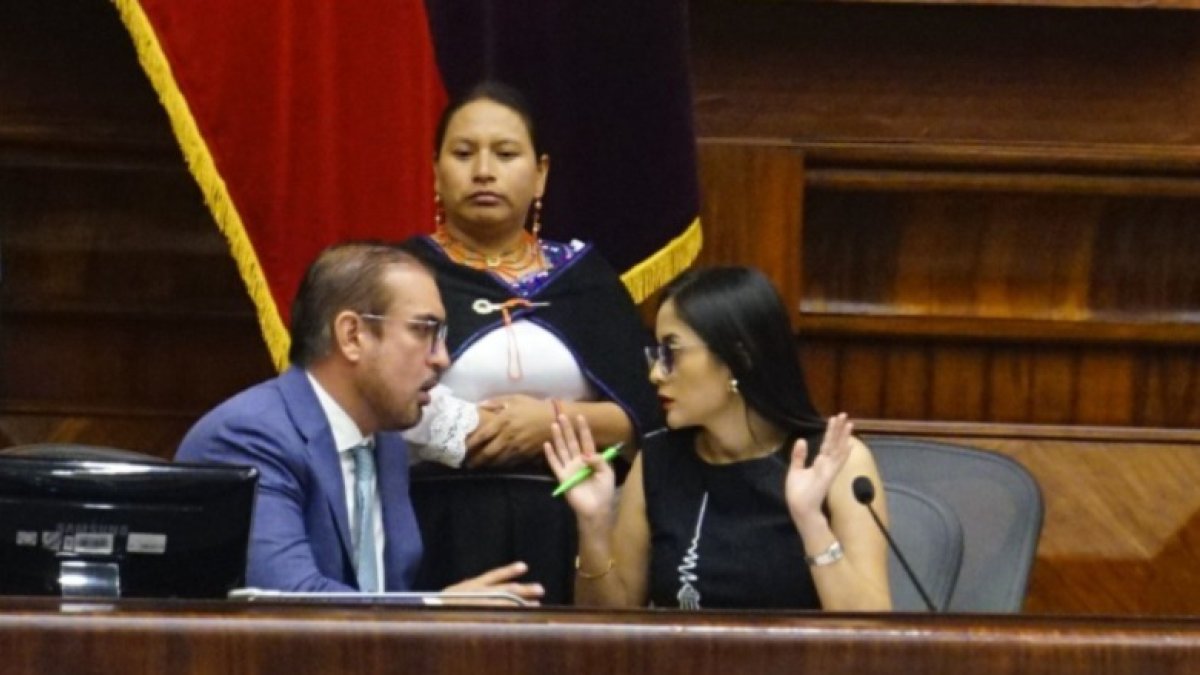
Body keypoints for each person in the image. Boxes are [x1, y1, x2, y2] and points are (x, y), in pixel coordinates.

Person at [398, 82, 661, 603]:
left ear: (540, 174)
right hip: (433, 525)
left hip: (573, 523)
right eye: (464, 154)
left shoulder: (586, 279)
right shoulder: (400, 275)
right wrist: (465, 428)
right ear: (435, 171)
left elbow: (645, 418)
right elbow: (365, 404)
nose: (483, 171)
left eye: (505, 154)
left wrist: (550, 423)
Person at [176, 242, 543, 602]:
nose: (442, 358)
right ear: (352, 336)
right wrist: (434, 610)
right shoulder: (249, 438)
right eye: (423, 330)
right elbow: (288, 603)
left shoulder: (385, 442)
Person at [544, 266, 892, 610]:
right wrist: (593, 526)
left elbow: (870, 630)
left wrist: (812, 522)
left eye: (672, 352)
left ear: (737, 357)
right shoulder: (657, 462)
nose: (655, 374)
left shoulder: (835, 461)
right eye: (656, 354)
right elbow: (607, 627)